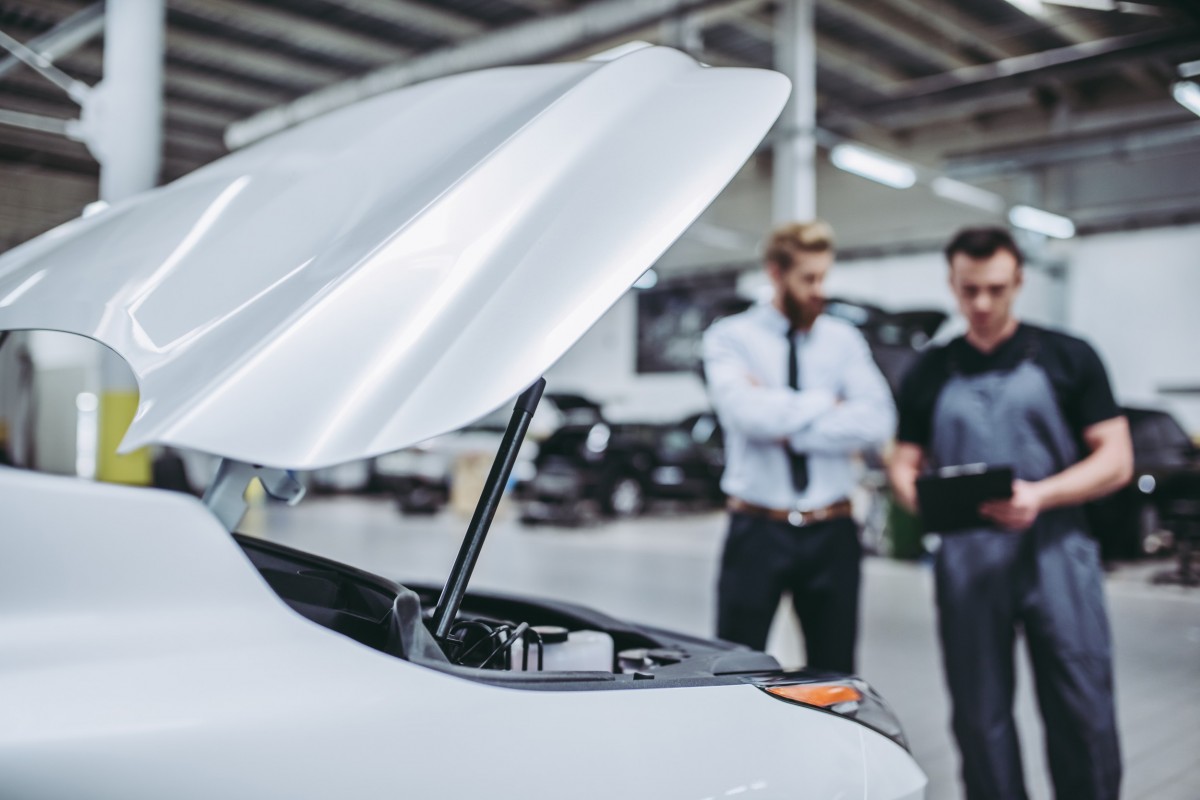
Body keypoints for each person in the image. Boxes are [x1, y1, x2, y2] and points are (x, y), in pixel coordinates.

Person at [887, 227, 1131, 800]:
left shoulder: (1070, 356)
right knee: (980, 716)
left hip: (1055, 549)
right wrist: (919, 498)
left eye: (995, 289)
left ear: (1019, 280)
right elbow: (901, 463)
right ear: (951, 282)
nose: (981, 305)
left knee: (1082, 709)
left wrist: (1040, 495)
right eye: (969, 290)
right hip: (967, 559)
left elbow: (1117, 459)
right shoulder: (930, 371)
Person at [702, 220, 895, 673]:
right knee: (733, 668)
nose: (819, 290)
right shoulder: (731, 338)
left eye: (824, 277)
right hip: (756, 528)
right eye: (808, 278)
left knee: (835, 672)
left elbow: (878, 419)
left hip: (832, 529)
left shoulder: (843, 340)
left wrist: (789, 425)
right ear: (776, 273)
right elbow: (746, 415)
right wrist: (827, 402)